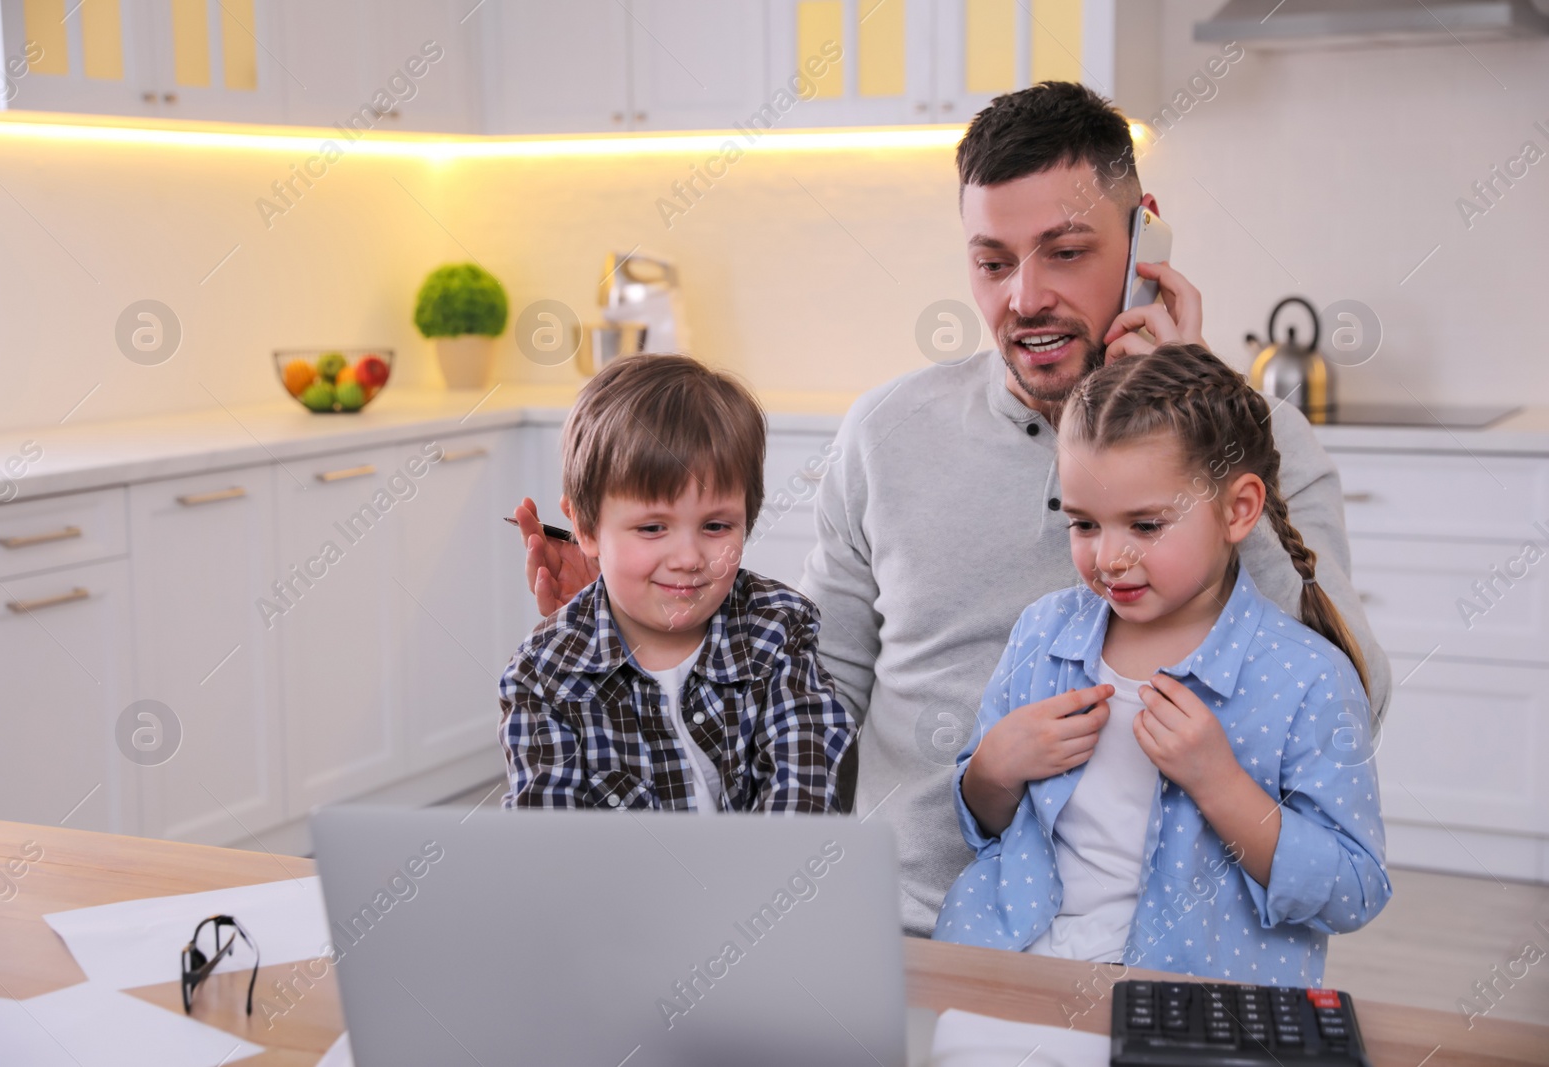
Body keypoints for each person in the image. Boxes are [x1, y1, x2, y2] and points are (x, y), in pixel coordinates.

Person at [514, 82, 1390, 935]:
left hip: (1163, 946)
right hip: (911, 927)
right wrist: (643, 632)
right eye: (993, 261)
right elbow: (815, 695)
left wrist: (1204, 431)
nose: (1025, 297)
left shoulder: (1265, 444)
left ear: (1144, 236)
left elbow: (1351, 704)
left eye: (1067, 251)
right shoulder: (886, 432)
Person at [933, 344, 1390, 987]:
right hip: (1006, 966)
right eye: (1085, 525)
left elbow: (1353, 891)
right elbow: (982, 820)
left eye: (1146, 526)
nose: (1111, 558)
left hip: (1188, 1004)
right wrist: (993, 767)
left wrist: (1222, 785)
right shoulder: (1043, 632)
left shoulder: (1308, 679)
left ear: (1238, 510)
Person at [499, 354, 853, 812]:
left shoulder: (778, 629)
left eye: (716, 527)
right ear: (585, 529)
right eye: (652, 528)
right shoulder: (543, 674)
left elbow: (806, 788)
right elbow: (544, 843)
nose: (689, 559)